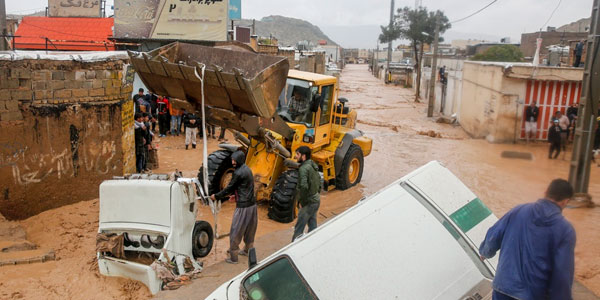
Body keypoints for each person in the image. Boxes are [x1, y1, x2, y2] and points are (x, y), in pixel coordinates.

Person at [479, 179, 575, 300]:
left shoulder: (519, 210)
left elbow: (494, 234)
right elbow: (562, 274)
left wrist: (485, 252)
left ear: (545, 192)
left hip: (503, 287)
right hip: (533, 294)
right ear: (566, 201)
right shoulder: (565, 230)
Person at [210, 151, 257, 264]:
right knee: (250, 230)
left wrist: (216, 196)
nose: (233, 162)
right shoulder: (247, 169)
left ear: (239, 160)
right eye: (232, 160)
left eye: (235, 160)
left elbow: (229, 188)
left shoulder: (238, 173)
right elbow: (245, 187)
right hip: (252, 205)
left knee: (236, 230)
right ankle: (247, 250)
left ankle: (233, 257)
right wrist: (236, 197)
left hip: (243, 207)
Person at [292, 146, 321, 242]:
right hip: (316, 200)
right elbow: (319, 181)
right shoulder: (313, 164)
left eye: (297, 154)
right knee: (312, 226)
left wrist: (302, 202)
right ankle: (313, 244)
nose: (295, 157)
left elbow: (303, 186)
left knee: (298, 229)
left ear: (303, 156)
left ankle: (292, 249)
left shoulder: (303, 169)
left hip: (308, 203)